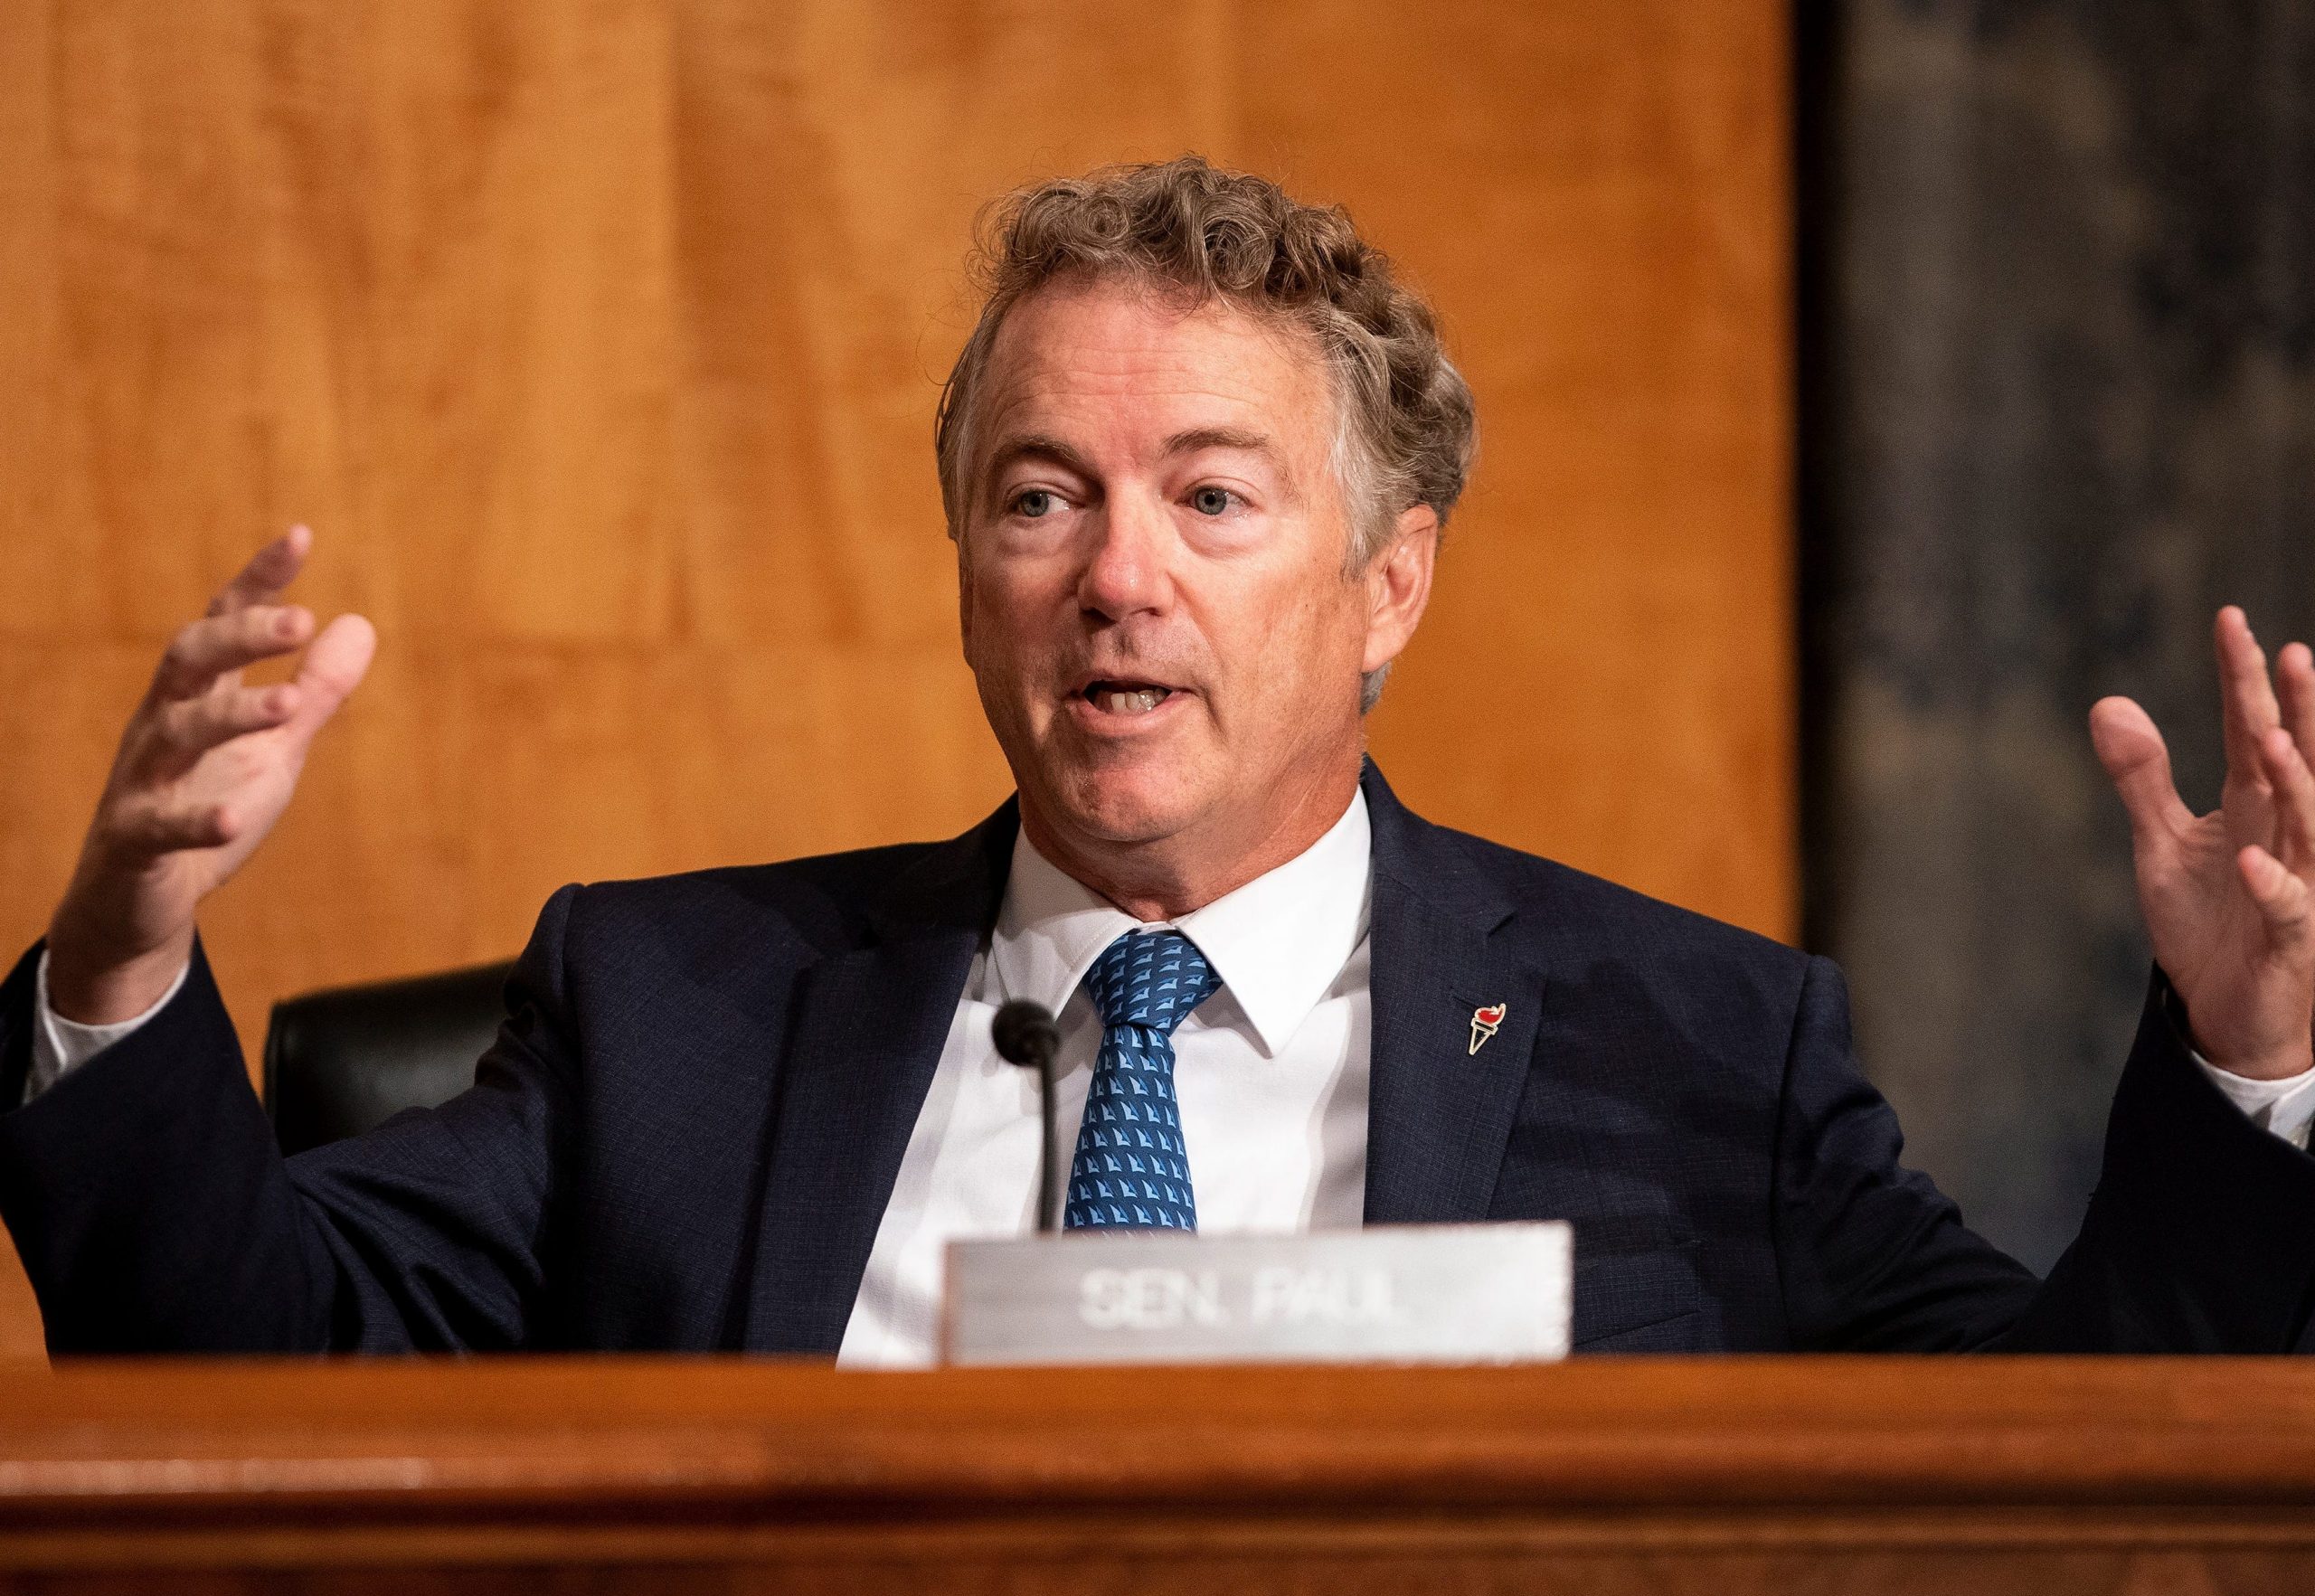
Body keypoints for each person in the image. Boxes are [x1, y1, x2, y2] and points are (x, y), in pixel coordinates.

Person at [4, 158, 2314, 1359]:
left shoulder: (1698, 1049)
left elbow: (2062, 1467)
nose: (1112, 576)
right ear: (963, 562)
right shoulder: (669, 1018)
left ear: (1387, 586)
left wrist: (2243, 1065)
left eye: (1211, 497)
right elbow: (242, 1361)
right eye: (1038, 496)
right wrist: (120, 958)